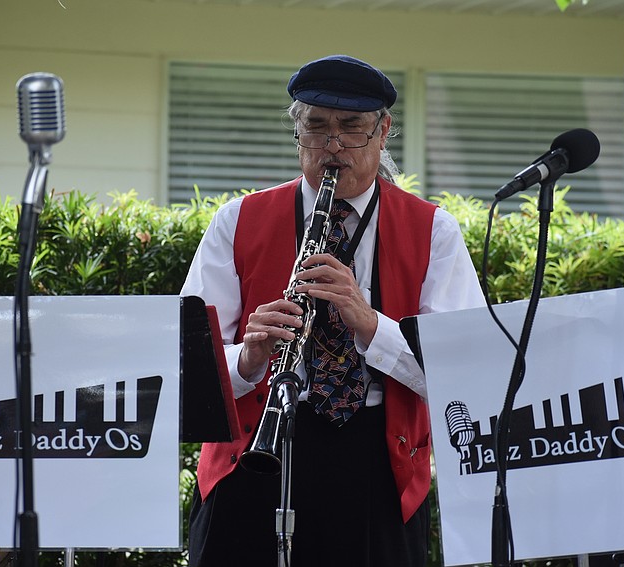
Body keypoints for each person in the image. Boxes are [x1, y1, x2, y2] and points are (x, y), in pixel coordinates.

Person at [181, 54, 485, 567]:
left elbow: (468, 376)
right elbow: (188, 370)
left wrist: (369, 325)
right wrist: (249, 360)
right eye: (317, 128)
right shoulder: (236, 221)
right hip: (254, 455)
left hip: (376, 462)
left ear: (383, 131)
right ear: (298, 135)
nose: (334, 146)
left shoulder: (435, 231)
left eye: (352, 129)